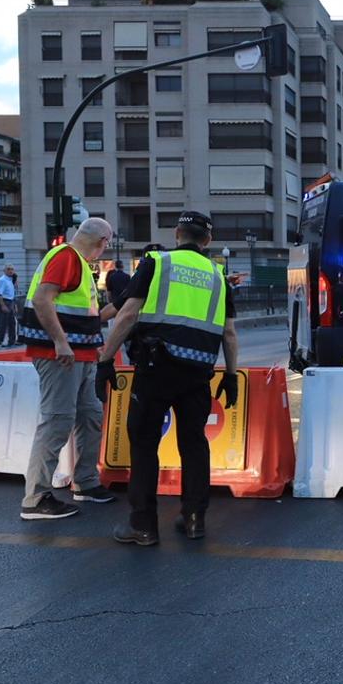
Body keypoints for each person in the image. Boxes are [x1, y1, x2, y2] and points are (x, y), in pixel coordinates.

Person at [97, 212, 238, 546]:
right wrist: (230, 375)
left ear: (177, 234)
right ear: (207, 241)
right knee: (194, 445)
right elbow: (229, 334)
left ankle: (143, 525)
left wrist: (105, 359)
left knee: (144, 443)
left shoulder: (157, 263)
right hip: (198, 373)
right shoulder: (218, 275)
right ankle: (193, 520)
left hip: (155, 368)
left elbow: (128, 314)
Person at [17, 218, 115, 520]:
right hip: (60, 355)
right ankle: (36, 498)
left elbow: (86, 315)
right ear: (101, 241)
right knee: (57, 420)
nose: (106, 249)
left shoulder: (79, 264)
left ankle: (85, 482)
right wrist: (60, 342)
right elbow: (42, 299)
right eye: (107, 243)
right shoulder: (65, 258)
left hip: (79, 355)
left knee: (90, 416)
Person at [0, 265, 18, 347]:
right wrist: (3, 305)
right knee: (3, 323)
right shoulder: (2, 280)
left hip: (10, 301)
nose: (10, 271)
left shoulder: (10, 280)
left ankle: (11, 341)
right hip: (5, 302)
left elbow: (12, 294)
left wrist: (14, 305)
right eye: (8, 269)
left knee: (12, 323)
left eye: (12, 269)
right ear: (4, 271)